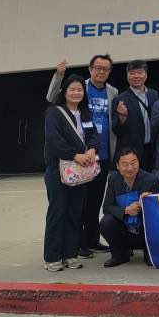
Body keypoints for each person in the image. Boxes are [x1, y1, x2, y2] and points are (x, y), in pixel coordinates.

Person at [45, 55, 117, 257]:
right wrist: (59, 76)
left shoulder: (113, 92)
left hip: (98, 156)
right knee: (76, 205)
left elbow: (99, 129)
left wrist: (95, 149)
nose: (101, 71)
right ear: (90, 68)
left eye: (106, 69)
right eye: (98, 67)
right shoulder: (78, 87)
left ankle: (92, 240)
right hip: (74, 160)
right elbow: (52, 97)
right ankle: (77, 244)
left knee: (94, 202)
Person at [43, 75, 100, 272]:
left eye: (79, 90)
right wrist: (74, 155)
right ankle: (52, 257)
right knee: (58, 213)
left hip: (79, 172)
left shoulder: (85, 112)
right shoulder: (54, 113)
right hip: (58, 171)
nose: (76, 93)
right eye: (72, 89)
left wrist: (92, 149)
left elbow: (93, 135)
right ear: (65, 91)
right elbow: (54, 140)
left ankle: (70, 254)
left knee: (75, 213)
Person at [99, 147, 159, 268]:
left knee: (153, 220)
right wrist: (126, 210)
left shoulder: (151, 179)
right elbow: (107, 207)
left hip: (143, 232)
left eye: (133, 163)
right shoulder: (113, 179)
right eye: (125, 164)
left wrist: (148, 203)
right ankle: (119, 254)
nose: (130, 168)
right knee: (106, 221)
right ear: (117, 166)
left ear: (138, 162)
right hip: (124, 230)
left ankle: (149, 252)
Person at [112, 59, 159, 171]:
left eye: (140, 73)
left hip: (153, 150)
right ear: (127, 76)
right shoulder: (120, 99)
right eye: (132, 73)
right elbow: (116, 130)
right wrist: (122, 118)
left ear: (146, 75)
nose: (136, 76)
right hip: (133, 153)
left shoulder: (154, 94)